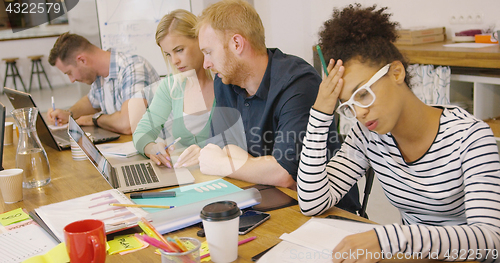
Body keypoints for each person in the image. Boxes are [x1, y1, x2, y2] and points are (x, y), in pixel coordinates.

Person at [297, 4, 500, 262]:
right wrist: (320, 112)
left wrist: (390, 238)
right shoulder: (367, 136)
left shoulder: (471, 137)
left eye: (363, 94)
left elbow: (490, 241)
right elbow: (312, 201)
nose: (359, 113)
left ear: (396, 72)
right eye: (348, 105)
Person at [196, 0, 360, 213]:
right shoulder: (225, 81)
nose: (205, 64)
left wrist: (223, 164)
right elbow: (220, 149)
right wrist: (256, 167)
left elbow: (282, 174)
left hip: (326, 213)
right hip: (260, 198)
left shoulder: (299, 82)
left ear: (237, 44)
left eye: (208, 52)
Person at [133, 9, 214, 169]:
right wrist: (153, 148)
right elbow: (141, 134)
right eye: (168, 54)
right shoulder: (170, 87)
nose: (174, 61)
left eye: (179, 50)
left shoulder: (225, 81)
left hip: (228, 177)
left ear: (200, 39)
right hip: (188, 176)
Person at [47, 33, 160, 134]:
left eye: (69, 73)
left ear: (82, 60)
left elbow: (128, 124)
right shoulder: (98, 75)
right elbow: (91, 102)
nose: (71, 80)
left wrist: (94, 119)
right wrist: (68, 114)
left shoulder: (133, 67)